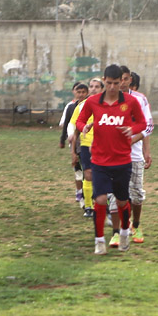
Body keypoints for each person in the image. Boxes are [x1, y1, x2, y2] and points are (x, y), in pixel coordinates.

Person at [75, 65, 146, 255]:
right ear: (104, 80)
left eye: (116, 83)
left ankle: (123, 232)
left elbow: (142, 123)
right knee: (99, 199)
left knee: (122, 201)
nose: (113, 87)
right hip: (99, 160)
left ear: (122, 82)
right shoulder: (93, 101)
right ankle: (99, 240)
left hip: (122, 160)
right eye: (109, 83)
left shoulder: (130, 102)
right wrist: (84, 127)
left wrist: (132, 129)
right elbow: (80, 120)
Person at [117, 69, 153, 247]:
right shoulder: (107, 100)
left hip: (134, 154)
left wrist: (142, 147)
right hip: (113, 155)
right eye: (118, 80)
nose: (121, 83)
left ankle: (136, 225)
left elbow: (148, 126)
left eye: (125, 79)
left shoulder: (140, 99)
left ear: (130, 80)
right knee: (115, 194)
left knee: (137, 194)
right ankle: (118, 231)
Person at [69, 78, 103, 218]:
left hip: (104, 145)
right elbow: (75, 127)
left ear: (102, 89)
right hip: (86, 145)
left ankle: (102, 204)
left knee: (102, 176)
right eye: (91, 86)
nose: (94, 88)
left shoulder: (108, 105)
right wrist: (72, 151)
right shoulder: (82, 105)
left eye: (97, 86)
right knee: (88, 174)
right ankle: (88, 206)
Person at [59, 82, 90, 210]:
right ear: (74, 92)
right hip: (76, 143)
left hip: (89, 142)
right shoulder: (71, 107)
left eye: (84, 92)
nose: (81, 94)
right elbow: (66, 124)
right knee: (78, 169)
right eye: (79, 92)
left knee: (89, 171)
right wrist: (63, 139)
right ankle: (80, 192)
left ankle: (88, 196)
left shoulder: (91, 105)